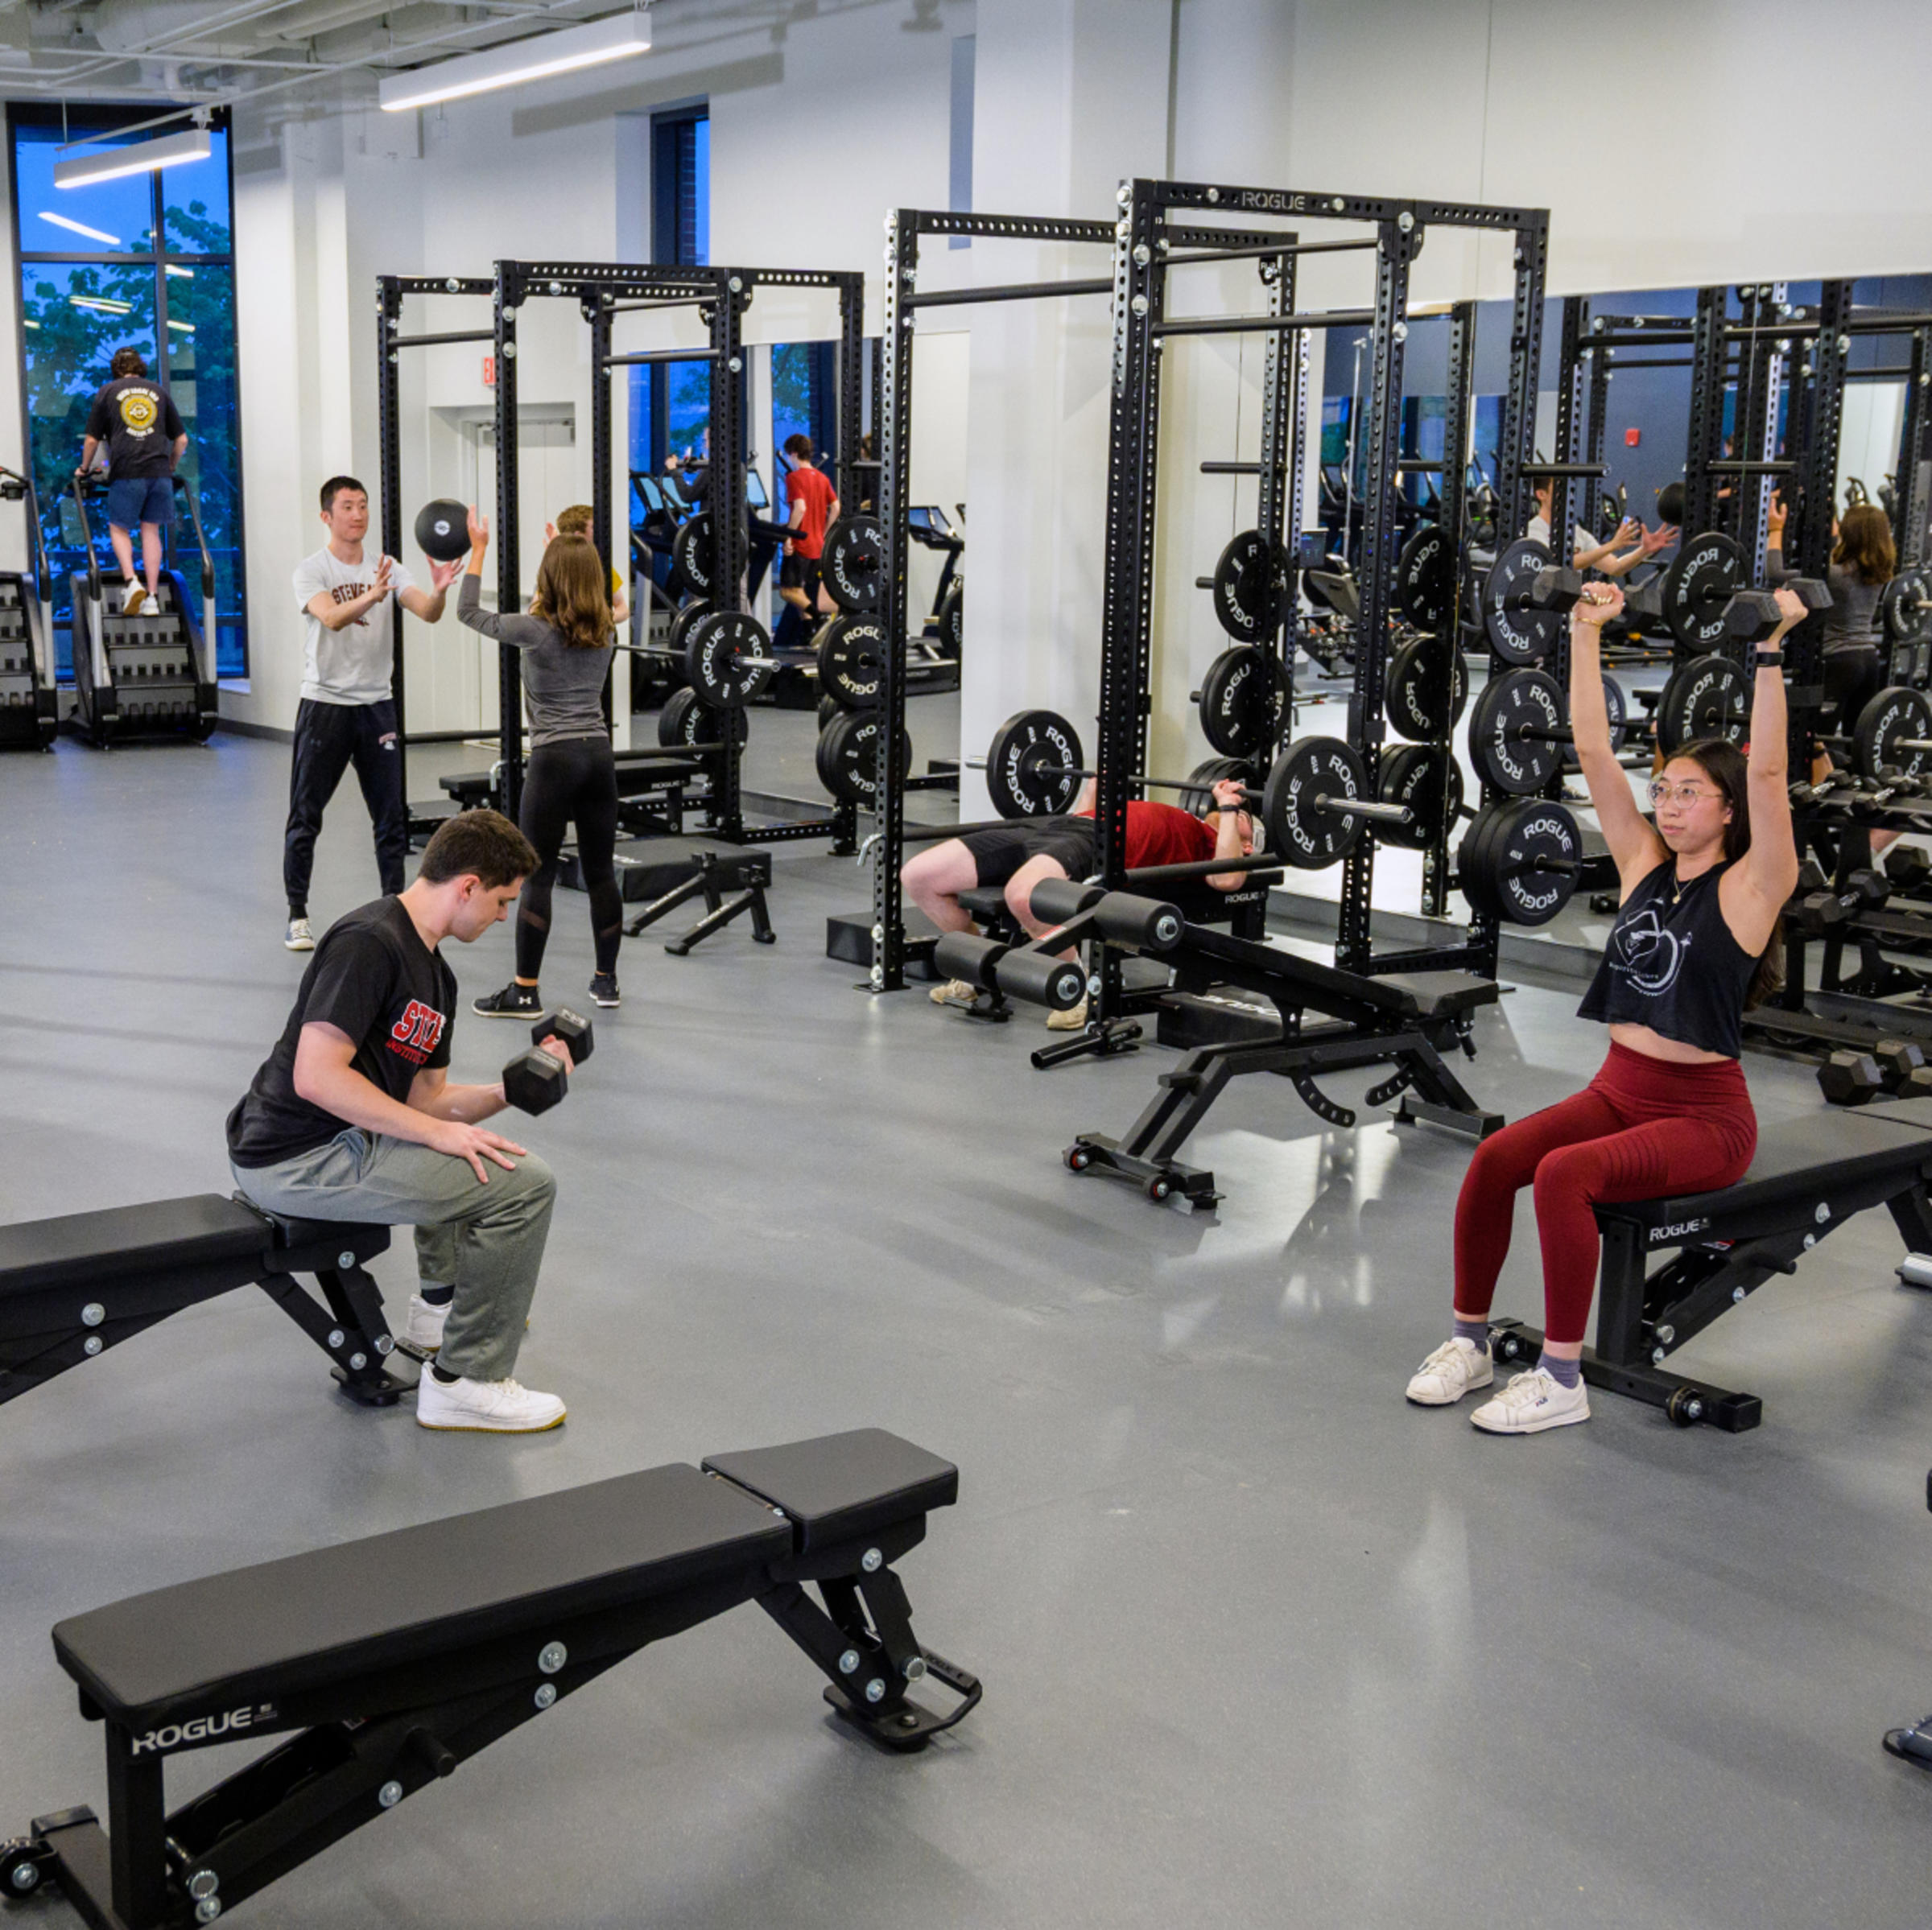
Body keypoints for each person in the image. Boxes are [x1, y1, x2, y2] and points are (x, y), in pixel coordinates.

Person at [1405, 579, 1802, 1435]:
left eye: (1690, 792)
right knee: (1496, 1159)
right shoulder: (1641, 866)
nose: (1668, 801)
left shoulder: (1752, 888)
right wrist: (1586, 632)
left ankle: (1560, 1376)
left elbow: (1770, 774)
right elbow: (1588, 748)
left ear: (1729, 813)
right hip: (1619, 1088)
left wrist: (1769, 651)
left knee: (1564, 1174)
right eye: (1665, 788)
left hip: (1705, 1118)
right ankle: (1470, 1340)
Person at [228, 810, 576, 1434]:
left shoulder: (436, 974)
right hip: (295, 1158)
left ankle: (436, 1318)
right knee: (528, 1185)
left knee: (473, 1150)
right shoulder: (371, 941)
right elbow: (317, 1075)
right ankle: (466, 1381)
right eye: (501, 901)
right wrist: (436, 1132)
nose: (503, 917)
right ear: (467, 885)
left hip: (337, 1145)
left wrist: (508, 1090)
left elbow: (426, 1103)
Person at [904, 777, 1257, 1029]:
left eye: (1246, 818)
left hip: (1098, 842)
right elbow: (1089, 810)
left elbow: (1228, 879)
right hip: (1056, 828)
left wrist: (1229, 808)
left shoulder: (1214, 845)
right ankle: (976, 970)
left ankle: (1076, 989)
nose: (1240, 813)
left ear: (1247, 846)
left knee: (1023, 896)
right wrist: (1097, 784)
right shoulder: (1194, 821)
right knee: (919, 876)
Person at [458, 507, 625, 1012]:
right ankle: (606, 982)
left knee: (539, 875)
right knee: (600, 874)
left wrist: (480, 549)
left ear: (547, 579)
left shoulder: (535, 630)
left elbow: (468, 611)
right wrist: (567, 552)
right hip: (599, 758)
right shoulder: (607, 634)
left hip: (554, 761)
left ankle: (525, 991)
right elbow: (578, 599)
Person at [284, 476, 460, 953]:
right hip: (325, 705)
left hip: (376, 706)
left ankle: (395, 911)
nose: (358, 515)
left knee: (389, 818)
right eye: (347, 507)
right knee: (306, 815)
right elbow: (332, 617)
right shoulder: (311, 570)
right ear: (327, 516)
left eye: (363, 506)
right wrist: (371, 596)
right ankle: (298, 914)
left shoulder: (388, 567)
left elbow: (426, 611)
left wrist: (440, 589)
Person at [76, 347, 186, 617]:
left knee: (119, 529)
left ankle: (130, 581)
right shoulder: (159, 392)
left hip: (127, 471)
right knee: (151, 532)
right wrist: (170, 465)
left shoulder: (108, 391)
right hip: (159, 473)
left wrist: (83, 468)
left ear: (116, 369)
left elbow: (92, 439)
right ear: (141, 368)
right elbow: (181, 439)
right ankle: (151, 597)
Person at [777, 433, 840, 633]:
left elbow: (800, 508)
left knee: (787, 592)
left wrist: (789, 536)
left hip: (800, 545)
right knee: (800, 592)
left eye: (789, 456)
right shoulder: (822, 478)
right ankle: (807, 634)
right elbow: (836, 507)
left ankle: (817, 615)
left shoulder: (794, 478)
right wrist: (823, 532)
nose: (789, 460)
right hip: (817, 545)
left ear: (794, 454)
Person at [546, 503, 630, 629]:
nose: (600, 533)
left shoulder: (602, 568)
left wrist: (601, 621)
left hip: (596, 642)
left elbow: (623, 609)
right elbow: (536, 613)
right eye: (594, 528)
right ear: (579, 536)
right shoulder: (554, 569)